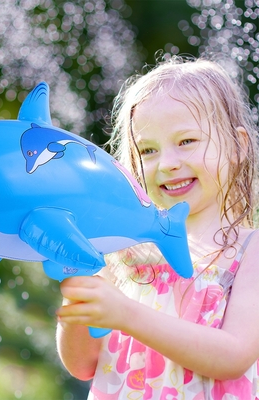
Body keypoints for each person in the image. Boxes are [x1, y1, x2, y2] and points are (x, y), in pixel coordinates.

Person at [56, 56, 259, 399]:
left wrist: (126, 314)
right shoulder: (122, 249)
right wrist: (78, 296)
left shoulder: (249, 250)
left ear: (237, 145)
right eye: (148, 150)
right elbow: (82, 364)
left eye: (186, 142)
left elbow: (234, 355)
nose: (167, 164)